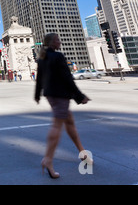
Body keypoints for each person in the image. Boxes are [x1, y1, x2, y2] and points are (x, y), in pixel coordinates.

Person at [34, 33, 91, 179]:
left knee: (70, 122)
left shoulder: (42, 58)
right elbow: (67, 78)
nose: (60, 41)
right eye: (58, 39)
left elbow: (39, 78)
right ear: (52, 43)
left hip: (51, 95)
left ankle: (83, 154)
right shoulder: (58, 56)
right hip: (60, 96)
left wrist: (37, 95)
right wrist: (80, 96)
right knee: (57, 126)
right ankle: (47, 160)